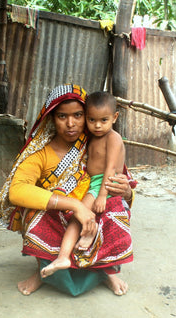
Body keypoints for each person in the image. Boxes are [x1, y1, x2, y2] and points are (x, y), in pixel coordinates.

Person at [0, 84, 135, 297]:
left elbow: (120, 182)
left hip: (95, 212)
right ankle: (43, 272)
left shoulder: (98, 139)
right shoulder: (40, 154)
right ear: (51, 118)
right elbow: (17, 191)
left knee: (115, 206)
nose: (71, 123)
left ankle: (105, 271)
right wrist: (74, 205)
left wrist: (124, 191)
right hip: (60, 219)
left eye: (78, 115)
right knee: (33, 213)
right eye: (62, 116)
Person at [39, 91, 125, 278]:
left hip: (104, 184)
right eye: (92, 120)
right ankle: (72, 251)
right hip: (94, 183)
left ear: (115, 117)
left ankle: (64, 255)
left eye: (104, 120)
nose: (97, 125)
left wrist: (102, 194)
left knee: (79, 219)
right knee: (81, 217)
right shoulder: (91, 136)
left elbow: (111, 168)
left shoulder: (113, 138)